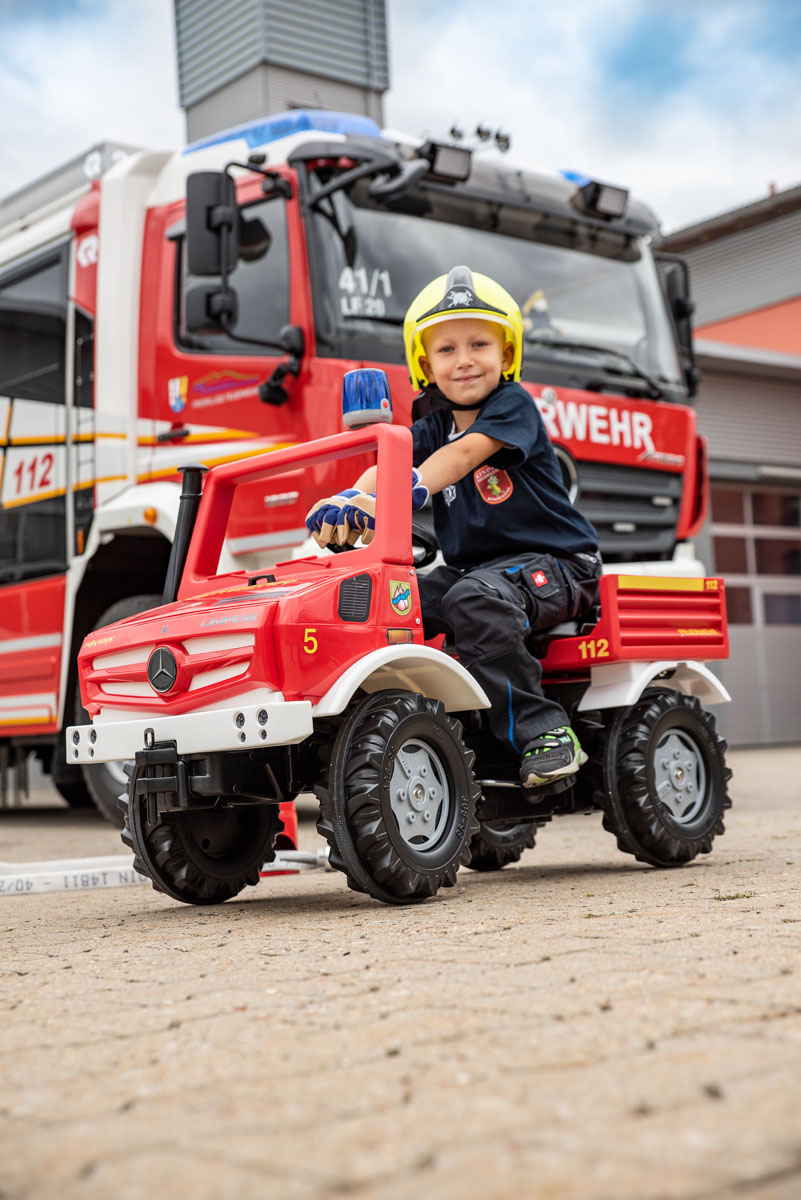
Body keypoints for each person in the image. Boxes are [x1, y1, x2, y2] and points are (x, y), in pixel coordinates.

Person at [306, 266, 602, 789]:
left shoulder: (512, 407)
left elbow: (463, 456)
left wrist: (411, 486)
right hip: (481, 572)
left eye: (479, 343)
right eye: (446, 350)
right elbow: (388, 461)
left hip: (558, 564)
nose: (464, 360)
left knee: (473, 599)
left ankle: (547, 732)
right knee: (387, 598)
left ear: (507, 354)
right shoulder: (431, 424)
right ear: (424, 364)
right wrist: (351, 498)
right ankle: (413, 732)